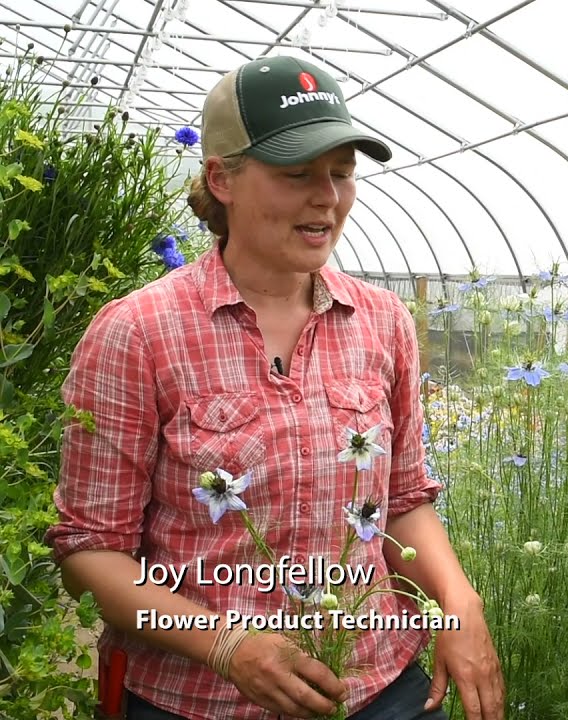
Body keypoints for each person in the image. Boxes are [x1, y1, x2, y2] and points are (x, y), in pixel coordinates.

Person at [45, 56, 504, 720]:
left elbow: (401, 501)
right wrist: (228, 645)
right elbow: (91, 552)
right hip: (200, 700)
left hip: (377, 686)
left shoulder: (382, 322)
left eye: (342, 174)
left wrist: (459, 604)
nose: (327, 197)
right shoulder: (138, 334)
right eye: (297, 175)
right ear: (220, 178)